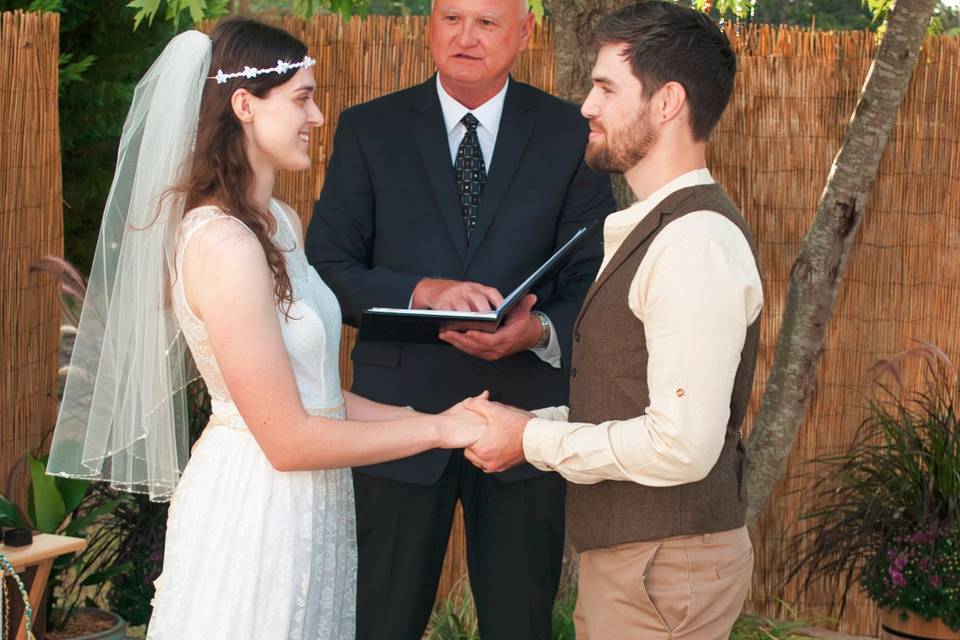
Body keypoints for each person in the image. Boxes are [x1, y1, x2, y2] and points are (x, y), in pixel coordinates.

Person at [47, 18, 485, 639]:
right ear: (245, 105)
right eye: (302, 98)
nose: (317, 116)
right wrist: (439, 430)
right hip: (255, 504)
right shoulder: (221, 243)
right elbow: (288, 439)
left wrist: (428, 416)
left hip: (313, 502)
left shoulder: (279, 222)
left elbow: (319, 398)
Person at [305, 0, 616, 636]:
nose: (465, 37)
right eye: (451, 19)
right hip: (395, 417)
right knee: (380, 620)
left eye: (486, 22)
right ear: (429, 26)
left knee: (519, 622)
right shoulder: (371, 128)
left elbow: (594, 274)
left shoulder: (568, 133)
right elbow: (326, 268)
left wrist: (537, 331)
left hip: (526, 419)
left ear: (524, 33)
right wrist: (422, 289)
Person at [463, 3, 764, 639]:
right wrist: (525, 425)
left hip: (662, 569)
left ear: (667, 102)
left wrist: (531, 441)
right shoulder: (660, 230)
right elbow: (630, 405)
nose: (586, 107)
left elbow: (680, 445)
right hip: (649, 564)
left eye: (606, 87)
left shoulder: (693, 243)